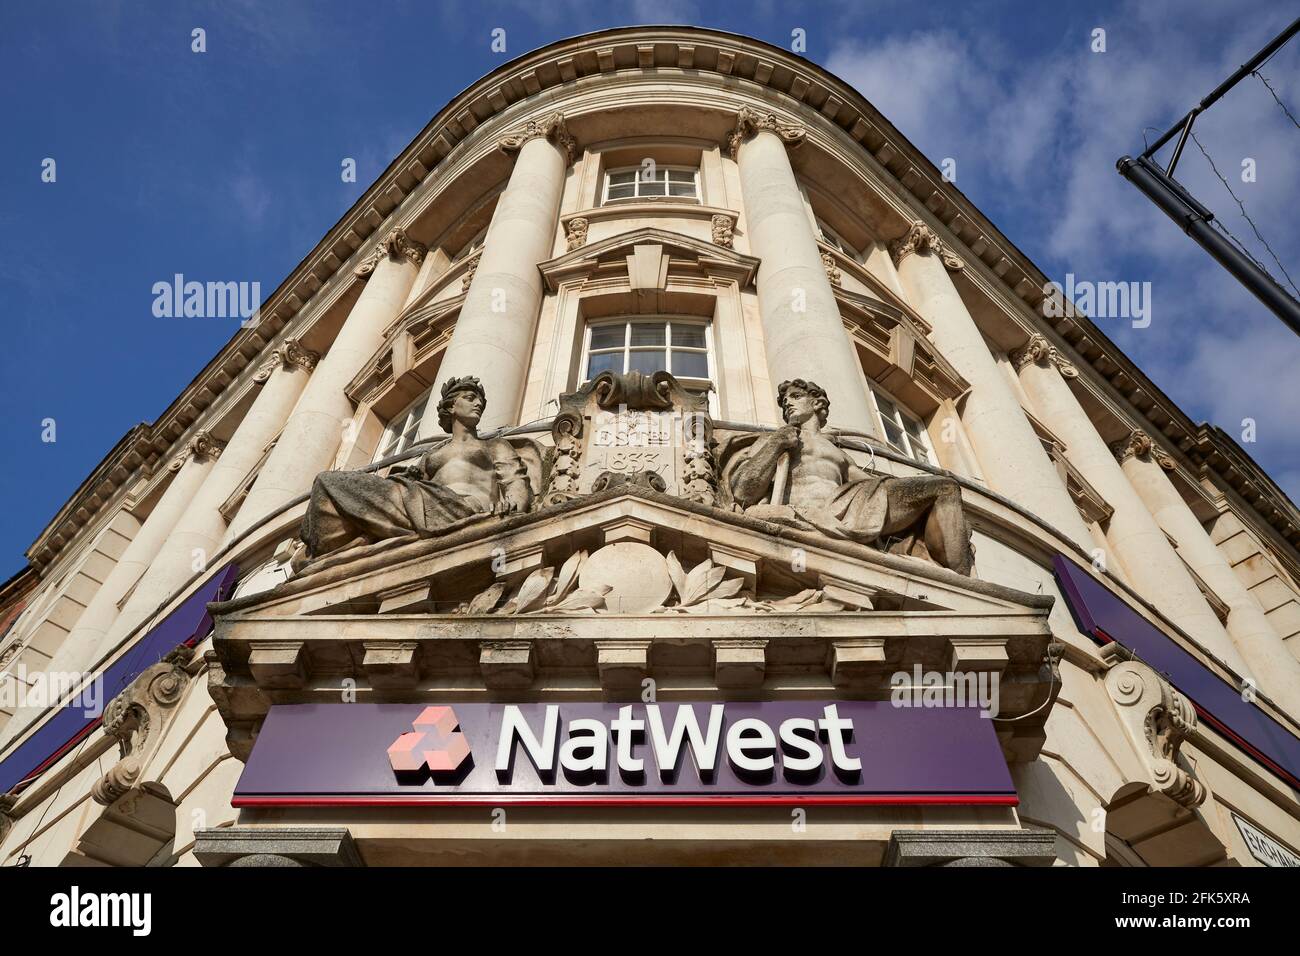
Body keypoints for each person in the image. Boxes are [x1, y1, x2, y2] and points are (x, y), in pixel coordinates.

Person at [725, 379, 974, 575]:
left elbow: (870, 487)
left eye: (796, 396)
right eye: (785, 401)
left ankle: (961, 583)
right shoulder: (771, 439)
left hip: (846, 506)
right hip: (803, 511)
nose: (788, 403)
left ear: (817, 404)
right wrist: (776, 445)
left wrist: (923, 482)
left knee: (945, 488)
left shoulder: (839, 454)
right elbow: (743, 492)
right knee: (941, 488)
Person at [301, 376, 532, 558]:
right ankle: (325, 549)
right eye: (471, 398)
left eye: (480, 400)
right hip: (423, 503)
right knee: (326, 482)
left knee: (334, 485)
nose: (479, 403)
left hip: (465, 508)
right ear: (452, 407)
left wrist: (512, 507)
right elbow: (411, 484)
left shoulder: (493, 445)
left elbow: (515, 481)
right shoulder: (432, 454)